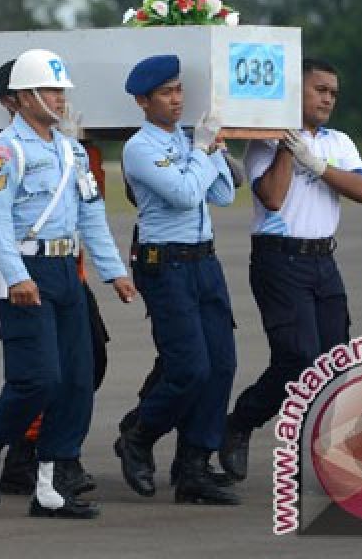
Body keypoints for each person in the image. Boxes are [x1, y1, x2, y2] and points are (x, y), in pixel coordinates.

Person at [0, 48, 137, 520]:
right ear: (23, 98)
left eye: (61, 91)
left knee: (77, 381)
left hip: (65, 272)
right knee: (38, 378)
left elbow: (92, 215)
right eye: (50, 91)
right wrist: (17, 276)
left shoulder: (73, 151)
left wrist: (114, 271)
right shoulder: (0, 152)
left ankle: (50, 486)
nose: (60, 100)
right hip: (26, 270)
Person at [219, 58, 362, 481]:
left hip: (323, 258)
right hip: (279, 258)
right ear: (293, 93)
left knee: (336, 361)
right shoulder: (265, 142)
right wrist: (289, 146)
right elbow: (271, 197)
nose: (327, 99)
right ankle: (241, 422)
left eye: (333, 93)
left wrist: (318, 165)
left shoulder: (338, 141)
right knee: (299, 358)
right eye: (319, 89)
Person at [114, 54, 239, 505]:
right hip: (164, 264)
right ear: (143, 101)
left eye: (179, 90)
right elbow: (187, 195)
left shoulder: (190, 140)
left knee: (221, 364)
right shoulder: (140, 148)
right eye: (166, 93)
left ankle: (194, 467)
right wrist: (204, 152)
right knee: (189, 367)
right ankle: (139, 433)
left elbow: (221, 194)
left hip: (204, 261)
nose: (177, 99)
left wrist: (214, 150)